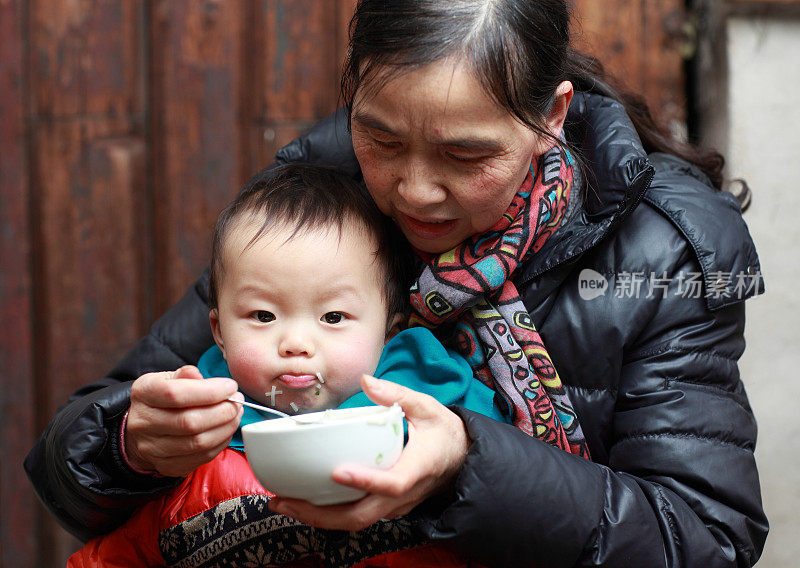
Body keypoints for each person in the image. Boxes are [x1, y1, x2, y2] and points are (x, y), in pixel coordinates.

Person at [26, 1, 769, 566]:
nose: (414, 191)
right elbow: (77, 471)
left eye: (464, 154)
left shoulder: (662, 253)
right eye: (381, 138)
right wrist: (130, 442)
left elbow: (705, 537)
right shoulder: (314, 203)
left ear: (553, 115)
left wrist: (466, 470)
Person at [66, 162, 505, 567]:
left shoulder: (438, 404)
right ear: (219, 331)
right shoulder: (195, 438)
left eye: (333, 317)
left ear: (388, 333)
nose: (296, 343)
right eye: (263, 316)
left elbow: (507, 493)